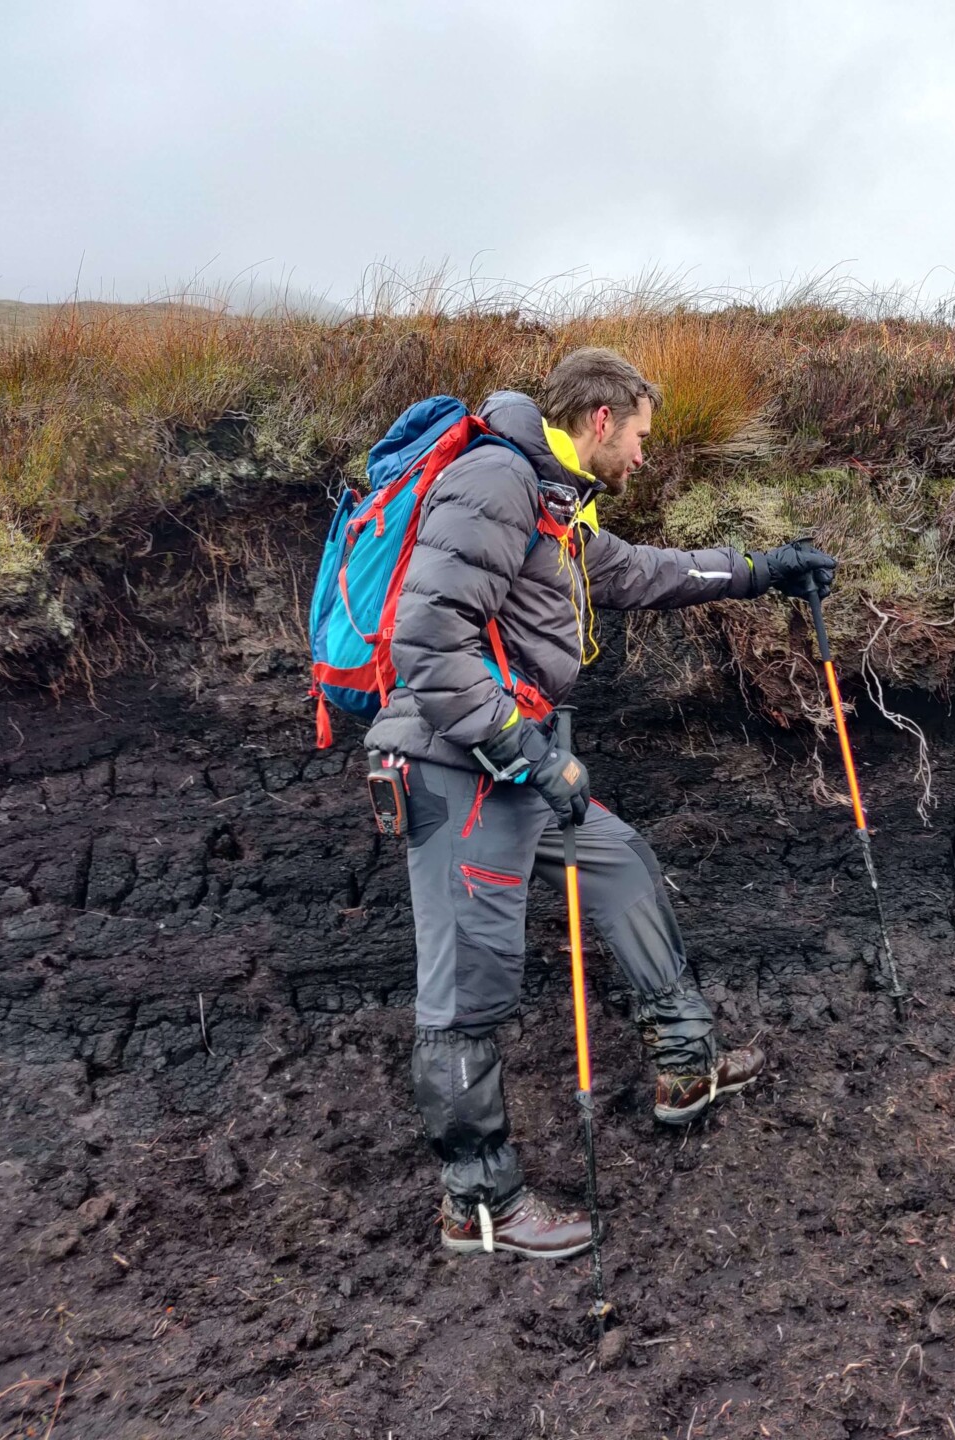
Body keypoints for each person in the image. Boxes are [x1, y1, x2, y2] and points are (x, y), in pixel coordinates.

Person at [366, 347, 836, 1257]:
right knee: (466, 984)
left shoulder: (553, 502)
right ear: (599, 420)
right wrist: (524, 752)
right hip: (456, 762)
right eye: (642, 438)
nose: (644, 457)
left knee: (619, 863)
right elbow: (428, 640)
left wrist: (764, 568)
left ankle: (685, 1062)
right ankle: (478, 1204)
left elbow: (642, 573)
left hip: (513, 760)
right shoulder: (496, 484)